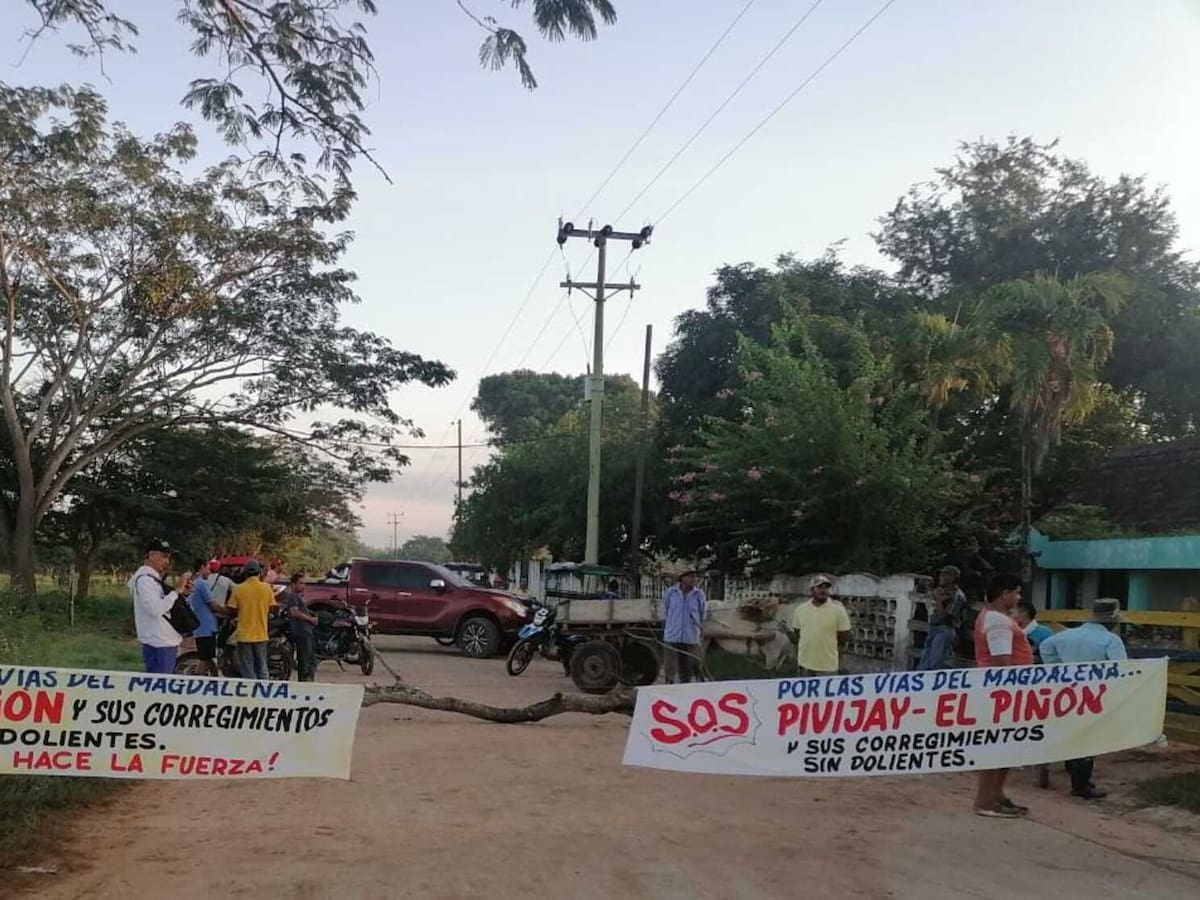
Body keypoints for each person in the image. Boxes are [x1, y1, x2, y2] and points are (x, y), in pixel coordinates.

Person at [1038, 598, 1127, 800]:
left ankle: (1076, 775)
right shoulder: (1111, 640)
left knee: (1073, 732)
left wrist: (1058, 669)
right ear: (1112, 621)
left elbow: (1045, 646)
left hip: (1067, 691)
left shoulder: (1067, 635)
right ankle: (1081, 785)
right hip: (1095, 693)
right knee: (1089, 738)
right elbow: (1120, 668)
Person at [973, 573, 1033, 819]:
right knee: (997, 747)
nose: (1018, 598)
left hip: (1002, 693)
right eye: (1016, 593)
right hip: (1003, 693)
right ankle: (986, 801)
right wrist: (1014, 689)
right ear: (1004, 593)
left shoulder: (994, 617)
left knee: (1005, 747)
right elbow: (1002, 662)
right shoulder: (997, 621)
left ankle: (996, 796)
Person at [128, 538, 188, 674]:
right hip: (159, 641)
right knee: (161, 688)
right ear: (151, 555)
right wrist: (176, 591)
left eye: (169, 557)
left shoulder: (151, 579)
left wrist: (180, 593)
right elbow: (156, 609)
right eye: (164, 556)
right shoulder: (144, 580)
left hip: (162, 640)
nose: (167, 562)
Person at [788, 575, 852, 676]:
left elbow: (844, 636)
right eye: (819, 587)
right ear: (812, 590)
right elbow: (798, 632)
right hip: (805, 665)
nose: (823, 590)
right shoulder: (800, 610)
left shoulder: (838, 610)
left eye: (826, 587)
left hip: (828, 667)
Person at [227, 559, 276, 680]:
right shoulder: (267, 588)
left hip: (244, 635)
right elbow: (273, 608)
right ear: (259, 573)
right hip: (261, 634)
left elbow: (231, 610)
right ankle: (264, 692)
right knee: (262, 667)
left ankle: (250, 694)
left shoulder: (238, 589)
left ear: (245, 573)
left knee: (247, 668)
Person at [918, 565, 967, 670]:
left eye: (944, 575)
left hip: (945, 630)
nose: (940, 577)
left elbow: (943, 616)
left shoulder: (958, 596)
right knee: (924, 664)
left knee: (936, 664)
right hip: (934, 628)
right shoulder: (941, 591)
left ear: (952, 578)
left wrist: (939, 600)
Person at [662, 570, 706, 683]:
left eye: (695, 577)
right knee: (670, 665)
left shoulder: (699, 594)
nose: (694, 579)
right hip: (672, 634)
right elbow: (665, 610)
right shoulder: (671, 592)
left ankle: (687, 686)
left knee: (692, 664)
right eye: (691, 576)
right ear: (682, 578)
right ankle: (669, 684)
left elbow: (702, 613)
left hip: (691, 635)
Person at [278, 572, 318, 682]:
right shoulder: (293, 596)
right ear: (293, 584)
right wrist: (310, 619)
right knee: (306, 659)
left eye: (304, 583)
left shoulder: (297, 597)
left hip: (305, 631)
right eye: (301, 583)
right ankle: (305, 682)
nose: (303, 585)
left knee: (310, 659)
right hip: (302, 632)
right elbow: (294, 612)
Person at [188, 559, 223, 676]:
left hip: (200, 627)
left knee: (206, 659)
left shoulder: (193, 582)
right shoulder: (202, 584)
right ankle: (197, 680)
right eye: (208, 569)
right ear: (202, 567)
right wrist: (228, 610)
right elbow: (213, 605)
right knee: (204, 659)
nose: (209, 572)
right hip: (206, 628)